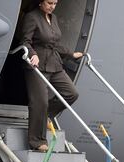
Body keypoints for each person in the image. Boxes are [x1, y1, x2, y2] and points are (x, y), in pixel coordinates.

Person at [21, 0, 83, 151]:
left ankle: (46, 116)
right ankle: (37, 141)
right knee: (40, 101)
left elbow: (54, 44)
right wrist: (32, 54)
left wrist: (70, 53)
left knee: (71, 93)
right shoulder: (32, 17)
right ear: (40, 2)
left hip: (54, 63)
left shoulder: (53, 18)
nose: (52, 6)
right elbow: (25, 41)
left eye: (55, 3)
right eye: (49, 3)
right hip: (36, 64)